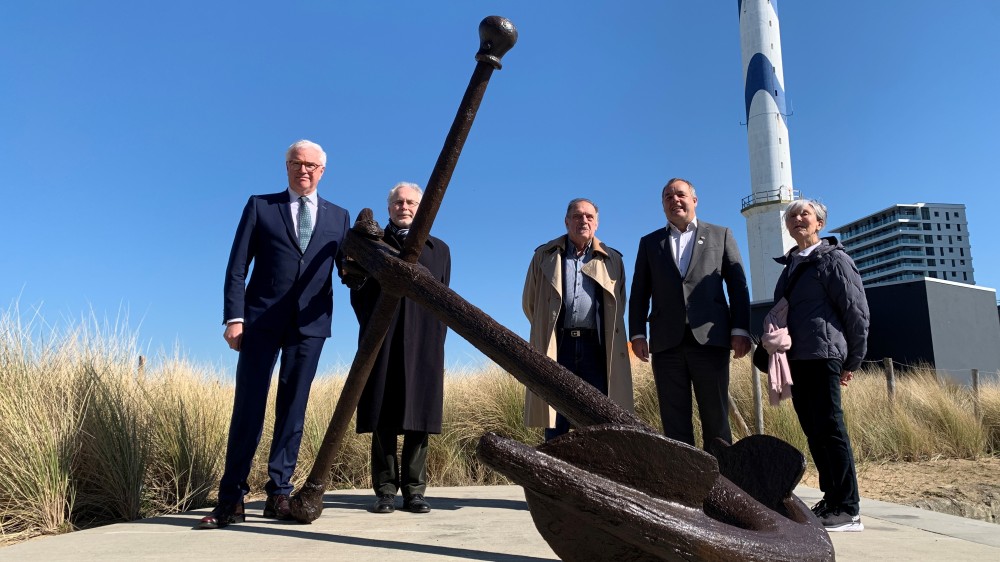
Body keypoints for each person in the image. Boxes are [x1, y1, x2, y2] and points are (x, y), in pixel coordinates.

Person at [199, 140, 351, 529]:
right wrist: (234, 318)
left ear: (323, 171)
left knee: (293, 409)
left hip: (310, 327)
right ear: (286, 166)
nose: (305, 170)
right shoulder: (259, 206)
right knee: (249, 406)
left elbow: (349, 272)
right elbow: (236, 268)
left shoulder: (339, 217)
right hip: (260, 321)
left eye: (312, 165)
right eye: (297, 163)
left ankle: (278, 495)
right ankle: (230, 499)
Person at [629, 178, 751, 449]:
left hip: (711, 340)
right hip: (666, 343)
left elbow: (738, 286)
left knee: (716, 418)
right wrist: (637, 333)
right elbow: (639, 292)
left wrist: (740, 329)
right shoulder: (650, 243)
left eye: (680, 194)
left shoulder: (721, 235)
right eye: (668, 197)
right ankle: (683, 486)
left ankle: (722, 484)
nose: (675, 200)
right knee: (673, 420)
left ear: (694, 200)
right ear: (663, 205)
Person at [351, 182, 450, 514]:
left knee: (419, 414)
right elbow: (356, 288)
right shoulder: (372, 246)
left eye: (411, 202)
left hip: (425, 339)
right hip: (384, 336)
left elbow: (445, 298)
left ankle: (415, 490)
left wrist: (436, 338)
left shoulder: (440, 250)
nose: (404, 207)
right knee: (384, 413)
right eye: (397, 202)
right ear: (389, 207)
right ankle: (385, 490)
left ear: (421, 207)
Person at [773, 199, 869, 532]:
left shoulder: (834, 260)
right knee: (815, 431)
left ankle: (848, 508)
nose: (797, 219)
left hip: (824, 355)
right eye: (792, 216)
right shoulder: (791, 266)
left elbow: (856, 311)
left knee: (830, 429)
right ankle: (832, 500)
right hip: (797, 359)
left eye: (805, 215)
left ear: (819, 224)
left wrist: (852, 358)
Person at [522, 198, 634, 441]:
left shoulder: (613, 259)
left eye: (589, 216)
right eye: (577, 216)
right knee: (556, 414)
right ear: (566, 221)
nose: (583, 220)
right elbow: (530, 303)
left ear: (597, 224)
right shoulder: (544, 256)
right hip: (558, 346)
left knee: (598, 415)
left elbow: (619, 306)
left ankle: (597, 472)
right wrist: (547, 329)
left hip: (597, 348)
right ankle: (554, 473)